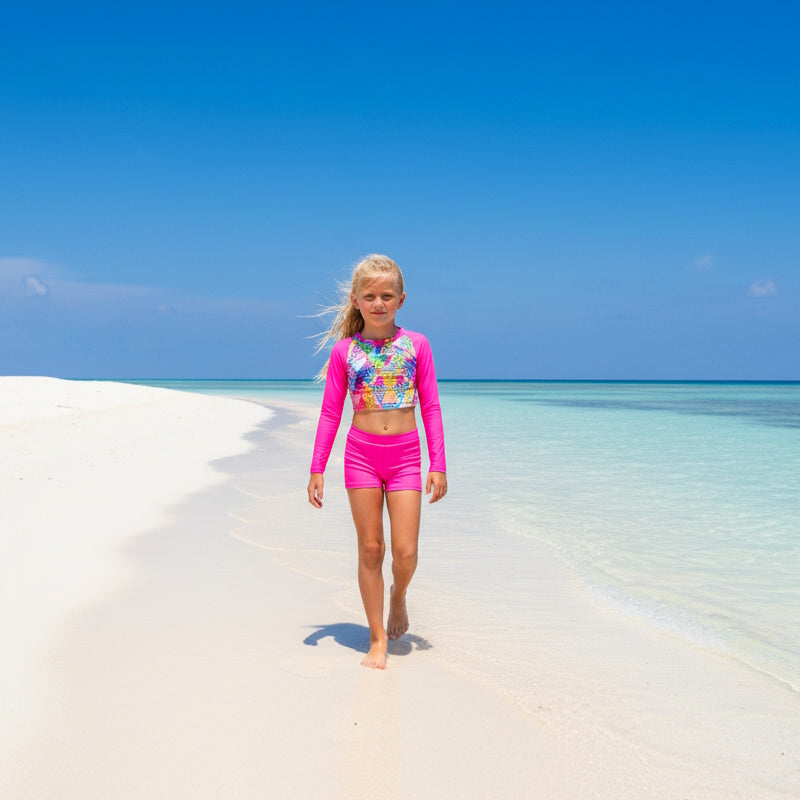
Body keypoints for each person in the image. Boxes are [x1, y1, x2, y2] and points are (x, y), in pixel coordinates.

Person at [307, 254, 447, 669]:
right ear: (355, 300)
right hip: (361, 457)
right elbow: (331, 412)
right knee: (371, 548)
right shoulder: (345, 352)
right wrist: (317, 468)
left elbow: (432, 408)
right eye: (370, 296)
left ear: (401, 299)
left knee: (404, 552)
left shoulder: (417, 345)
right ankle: (377, 638)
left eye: (387, 295)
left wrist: (437, 464)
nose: (378, 303)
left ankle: (398, 596)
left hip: (405, 456)